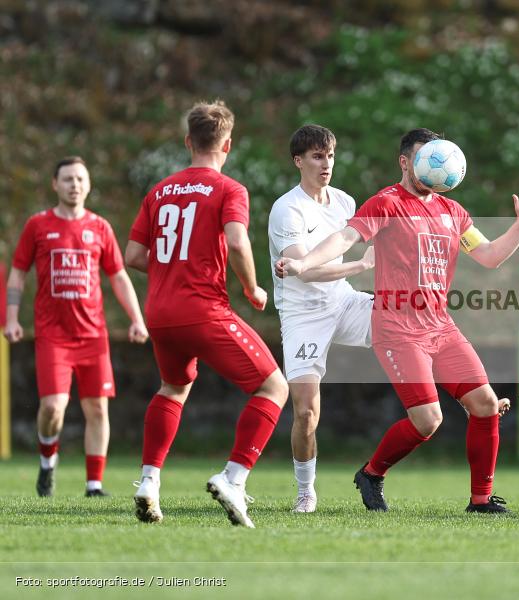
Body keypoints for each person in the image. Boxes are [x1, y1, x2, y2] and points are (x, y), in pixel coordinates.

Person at [276, 128, 519, 513]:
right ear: (405, 162)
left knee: (484, 403)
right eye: (422, 158)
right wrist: (303, 263)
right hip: (397, 327)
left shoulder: (453, 212)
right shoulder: (386, 202)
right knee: (428, 420)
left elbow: (489, 256)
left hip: (440, 326)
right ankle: (372, 473)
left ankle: (481, 500)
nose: (431, 167)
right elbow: (344, 239)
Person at [125, 100, 289, 528]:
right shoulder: (228, 189)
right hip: (203, 310)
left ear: (187, 142)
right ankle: (233, 478)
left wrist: (172, 268)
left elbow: (134, 255)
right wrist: (252, 287)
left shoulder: (158, 190)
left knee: (173, 388)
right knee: (274, 387)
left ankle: (149, 481)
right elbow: (236, 242)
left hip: (160, 312)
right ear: (228, 144)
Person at [4, 156, 148, 497]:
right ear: (55, 184)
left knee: (97, 408)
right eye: (67, 179)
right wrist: (11, 318)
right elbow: (18, 273)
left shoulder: (99, 227)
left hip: (93, 336)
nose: (74, 185)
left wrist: (137, 319)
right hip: (53, 336)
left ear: (88, 184)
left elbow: (118, 276)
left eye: (80, 179)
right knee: (53, 407)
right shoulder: (38, 225)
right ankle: (47, 460)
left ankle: (94, 484)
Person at [268, 124, 375, 513]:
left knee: (404, 321)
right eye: (316, 156)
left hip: (344, 303)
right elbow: (305, 270)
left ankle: (465, 394)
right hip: (303, 315)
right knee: (306, 411)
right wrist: (361, 265)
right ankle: (305, 490)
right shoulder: (287, 209)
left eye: (329, 155)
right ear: (299, 161)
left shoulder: (346, 202)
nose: (325, 163)